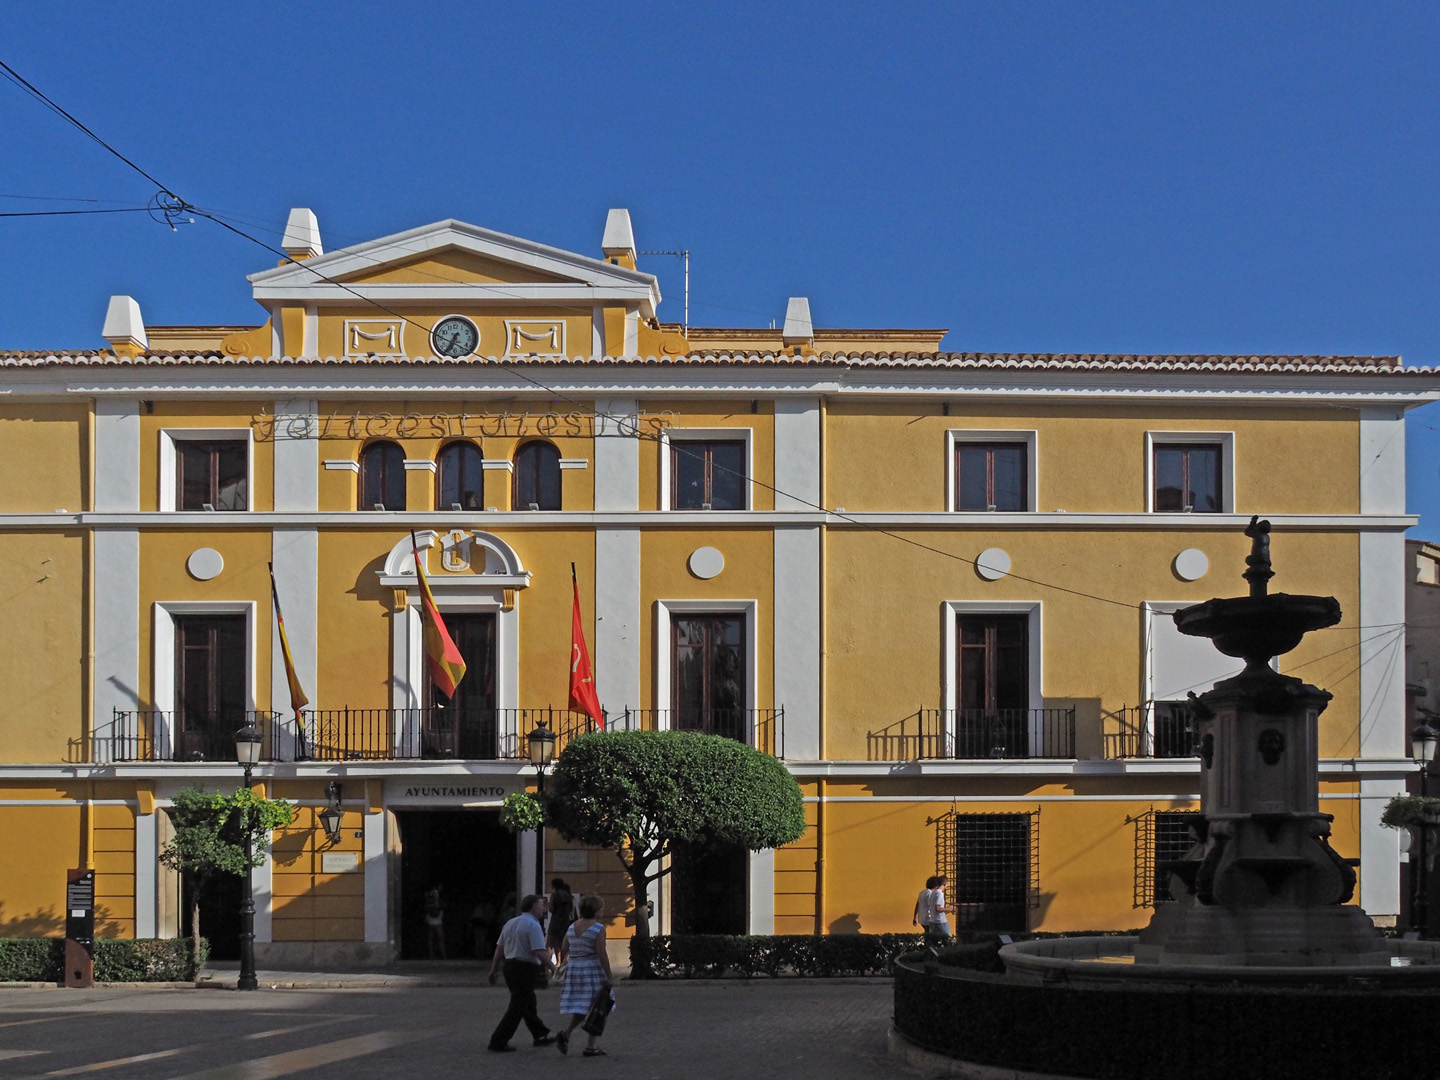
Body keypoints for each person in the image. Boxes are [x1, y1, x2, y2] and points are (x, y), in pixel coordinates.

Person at [486, 894, 556, 1052]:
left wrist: (494, 969)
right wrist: (553, 968)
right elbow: (539, 950)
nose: (543, 908)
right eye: (541, 905)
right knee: (518, 1005)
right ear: (533, 907)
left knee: (528, 1002)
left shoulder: (510, 923)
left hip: (510, 967)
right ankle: (498, 1040)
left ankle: (540, 1035)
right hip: (524, 968)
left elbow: (499, 948)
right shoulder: (533, 925)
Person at [554, 894, 613, 1057]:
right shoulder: (598, 928)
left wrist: (564, 965)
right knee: (598, 1006)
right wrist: (609, 975)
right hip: (592, 969)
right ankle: (590, 1046)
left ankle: (566, 1034)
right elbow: (602, 953)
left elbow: (564, 948)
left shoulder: (572, 927)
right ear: (596, 911)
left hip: (576, 968)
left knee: (582, 1006)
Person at [546, 878, 574, 967]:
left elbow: (551, 909)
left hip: (555, 921)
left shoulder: (554, 895)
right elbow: (571, 909)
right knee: (563, 944)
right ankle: (561, 963)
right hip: (565, 922)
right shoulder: (568, 896)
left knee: (550, 944)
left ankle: (548, 965)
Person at [928, 874, 954, 943]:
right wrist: (949, 909)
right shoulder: (939, 893)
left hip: (932, 920)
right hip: (940, 921)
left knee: (934, 942)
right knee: (947, 940)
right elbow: (938, 908)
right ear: (945, 884)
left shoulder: (933, 892)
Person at [424, 884, 445, 960]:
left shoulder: (432, 898)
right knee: (438, 937)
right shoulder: (432, 899)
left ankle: (437, 955)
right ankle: (439, 955)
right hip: (434, 919)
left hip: (434, 919)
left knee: (434, 937)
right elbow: (436, 907)